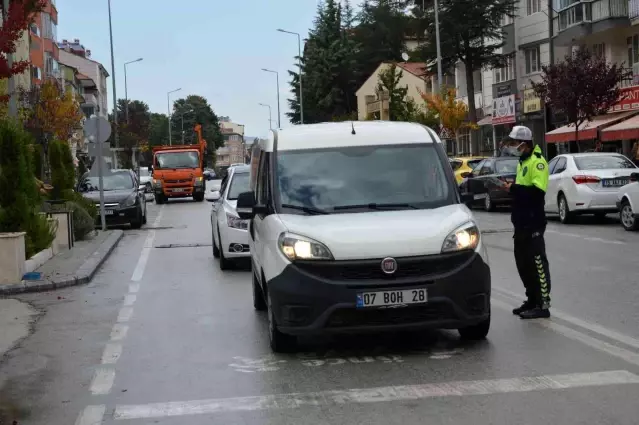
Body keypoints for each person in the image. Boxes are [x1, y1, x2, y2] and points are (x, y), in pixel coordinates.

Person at [505, 126, 552, 319]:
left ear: (524, 144)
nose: (513, 146)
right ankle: (531, 299)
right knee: (523, 264)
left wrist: (514, 189)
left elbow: (536, 192)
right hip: (521, 223)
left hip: (533, 223)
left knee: (537, 263)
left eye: (515, 143)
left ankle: (543, 304)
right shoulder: (522, 162)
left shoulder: (538, 163)